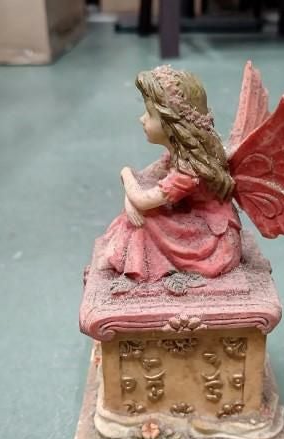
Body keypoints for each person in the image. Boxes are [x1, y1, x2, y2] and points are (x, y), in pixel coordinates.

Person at [97, 65, 242, 295]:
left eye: (150, 114)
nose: (141, 119)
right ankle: (130, 262)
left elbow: (142, 199)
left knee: (146, 220)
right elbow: (142, 181)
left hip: (213, 242)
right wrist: (131, 199)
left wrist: (125, 173)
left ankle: (139, 269)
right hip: (195, 221)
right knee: (139, 215)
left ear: (171, 125)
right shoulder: (178, 156)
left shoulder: (188, 172)